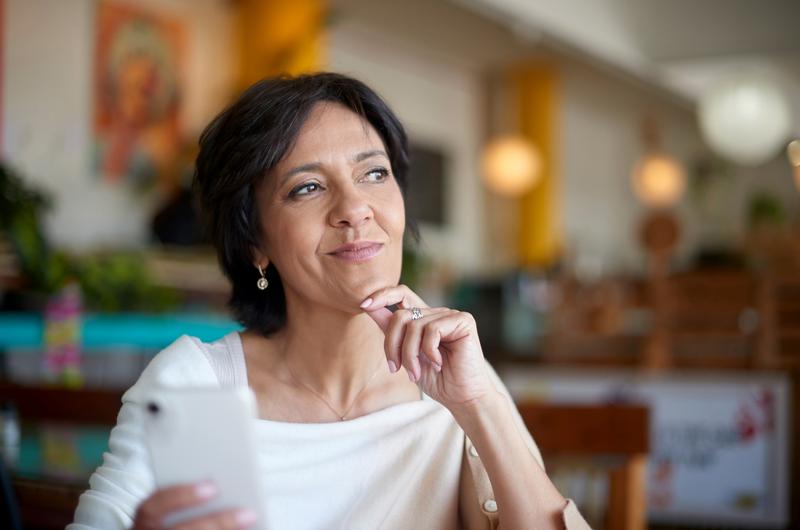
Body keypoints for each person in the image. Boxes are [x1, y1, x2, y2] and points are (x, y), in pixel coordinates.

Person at [69, 73, 591, 529]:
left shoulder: (457, 382)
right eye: (307, 188)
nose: (355, 208)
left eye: (374, 174)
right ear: (255, 242)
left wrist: (478, 404)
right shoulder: (195, 382)